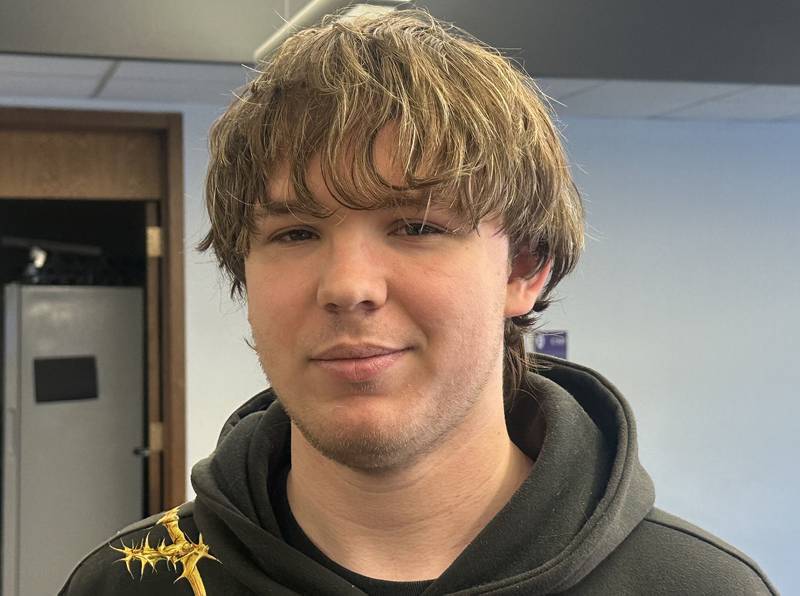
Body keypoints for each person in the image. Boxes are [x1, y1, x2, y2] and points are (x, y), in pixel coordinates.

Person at [60, 9, 776, 596]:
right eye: (296, 232)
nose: (347, 287)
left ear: (524, 268)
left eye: (416, 226)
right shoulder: (126, 584)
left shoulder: (701, 588)